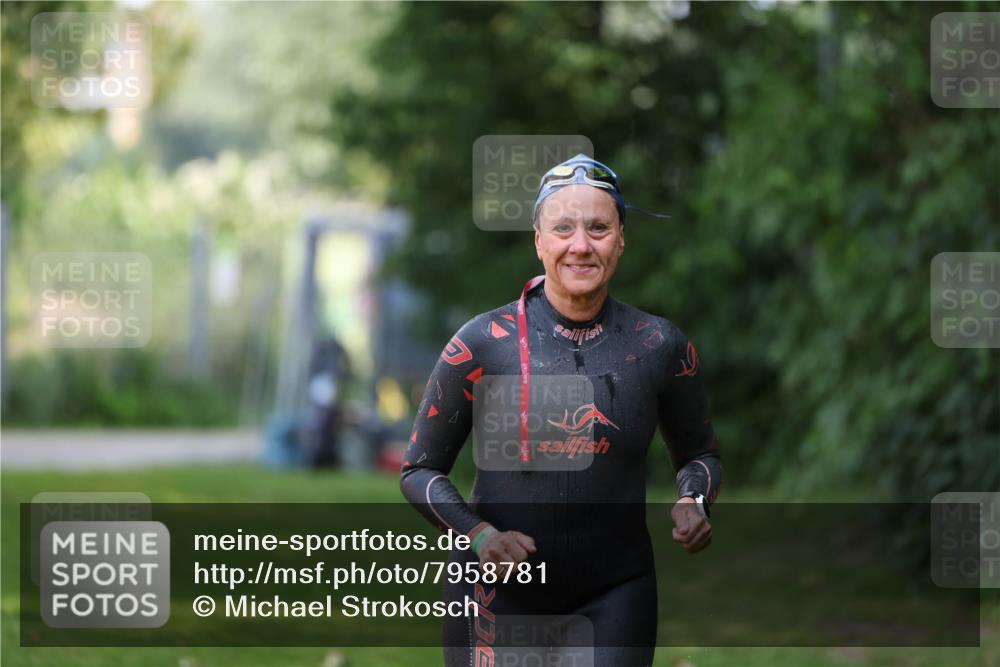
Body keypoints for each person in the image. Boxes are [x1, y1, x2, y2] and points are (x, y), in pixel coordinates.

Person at [400, 154, 723, 666]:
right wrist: (478, 534)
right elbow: (419, 470)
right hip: (496, 590)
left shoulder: (659, 345)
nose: (580, 245)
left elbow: (700, 455)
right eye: (563, 228)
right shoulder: (484, 343)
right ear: (539, 241)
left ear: (621, 239)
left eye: (598, 228)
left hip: (616, 593)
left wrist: (694, 500)